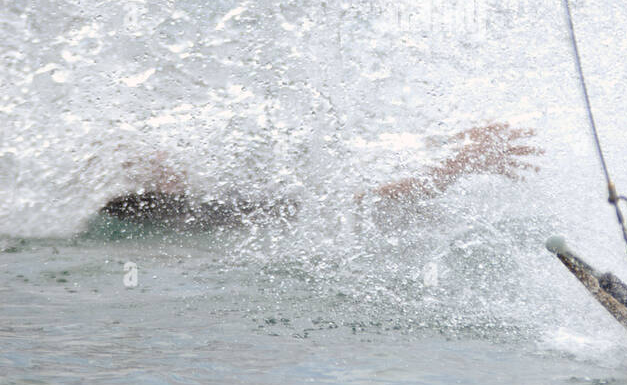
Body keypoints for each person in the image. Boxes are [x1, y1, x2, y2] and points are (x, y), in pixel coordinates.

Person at [99, 122, 541, 229]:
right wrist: (456, 166)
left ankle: (450, 143)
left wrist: (451, 154)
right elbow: (360, 203)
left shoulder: (215, 209)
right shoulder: (235, 215)